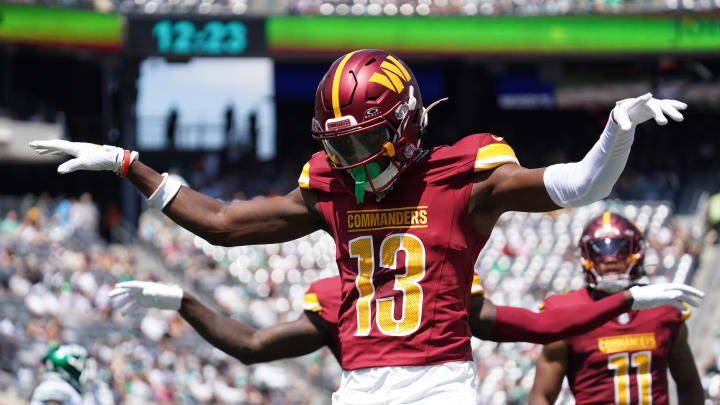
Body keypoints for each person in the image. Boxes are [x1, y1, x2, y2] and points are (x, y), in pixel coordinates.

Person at [30, 49, 699, 404]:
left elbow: (583, 184)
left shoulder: (466, 174)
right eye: (338, 146)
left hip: (439, 384)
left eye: (362, 143)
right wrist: (129, 164)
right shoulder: (329, 188)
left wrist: (616, 129)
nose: (347, 162)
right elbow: (224, 223)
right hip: (360, 387)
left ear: (405, 127)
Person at [110, 274, 700, 366]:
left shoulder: (442, 284)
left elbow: (252, 344)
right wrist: (182, 300)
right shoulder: (337, 295)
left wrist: (627, 300)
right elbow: (252, 345)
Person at [528, 212, 704, 405]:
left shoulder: (663, 307)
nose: (610, 259)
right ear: (585, 258)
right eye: (599, 252)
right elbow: (541, 396)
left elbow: (689, 384)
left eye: (619, 249)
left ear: (637, 253)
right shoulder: (566, 312)